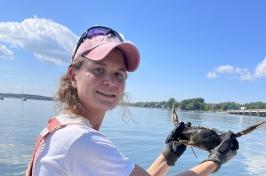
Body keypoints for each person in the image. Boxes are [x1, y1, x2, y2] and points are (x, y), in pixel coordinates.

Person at [26, 26, 239, 176]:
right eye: (98, 70)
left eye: (119, 73)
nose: (111, 82)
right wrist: (215, 160)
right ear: (73, 75)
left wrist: (168, 156)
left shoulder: (63, 127)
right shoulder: (79, 140)